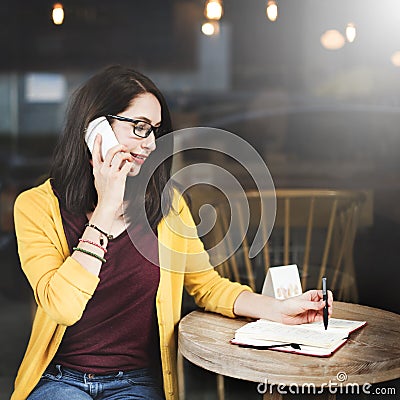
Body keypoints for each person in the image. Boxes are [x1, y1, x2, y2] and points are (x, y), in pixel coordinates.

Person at [12, 65, 333, 400]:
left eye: (155, 130)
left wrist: (277, 309)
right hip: (61, 379)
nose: (151, 144)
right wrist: (106, 209)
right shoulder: (36, 208)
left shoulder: (168, 205)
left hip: (135, 382)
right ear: (95, 129)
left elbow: (206, 286)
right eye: (139, 127)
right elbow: (62, 307)